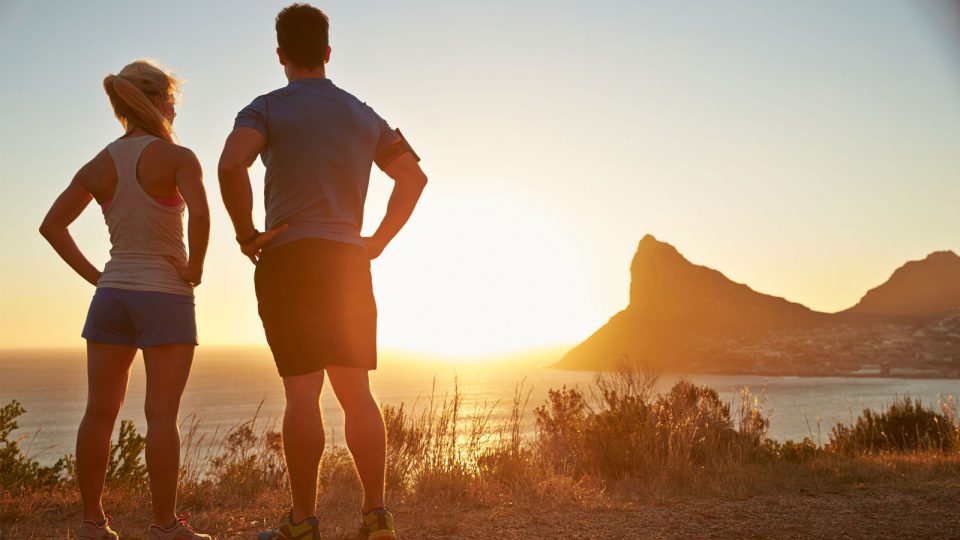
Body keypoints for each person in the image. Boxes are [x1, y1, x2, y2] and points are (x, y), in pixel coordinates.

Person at [218, 4, 428, 539]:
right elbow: (413, 178)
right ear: (328, 52)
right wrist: (377, 241)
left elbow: (230, 164)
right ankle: (376, 517)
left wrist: (246, 235)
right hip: (347, 261)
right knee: (357, 393)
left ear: (281, 54)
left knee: (302, 394)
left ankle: (303, 523)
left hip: (289, 258)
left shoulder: (264, 108)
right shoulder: (364, 115)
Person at [39, 60, 212, 540]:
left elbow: (52, 226)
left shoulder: (99, 163)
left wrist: (99, 277)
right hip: (165, 296)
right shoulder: (178, 157)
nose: (174, 107)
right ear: (154, 100)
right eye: (171, 98)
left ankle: (92, 523)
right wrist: (195, 270)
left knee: (98, 413)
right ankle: (164, 526)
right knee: (161, 415)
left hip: (112, 297)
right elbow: (201, 216)